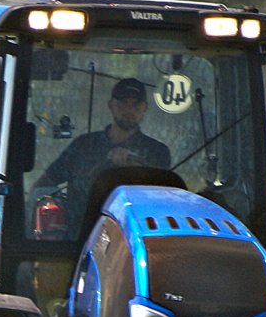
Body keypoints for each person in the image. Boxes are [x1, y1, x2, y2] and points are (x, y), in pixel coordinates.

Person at [38, 77, 174, 229]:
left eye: (136, 105)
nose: (129, 110)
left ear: (145, 109)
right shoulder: (83, 146)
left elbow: (161, 201)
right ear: (111, 106)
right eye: (122, 103)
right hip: (78, 239)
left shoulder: (157, 152)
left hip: (134, 237)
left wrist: (134, 168)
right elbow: (45, 184)